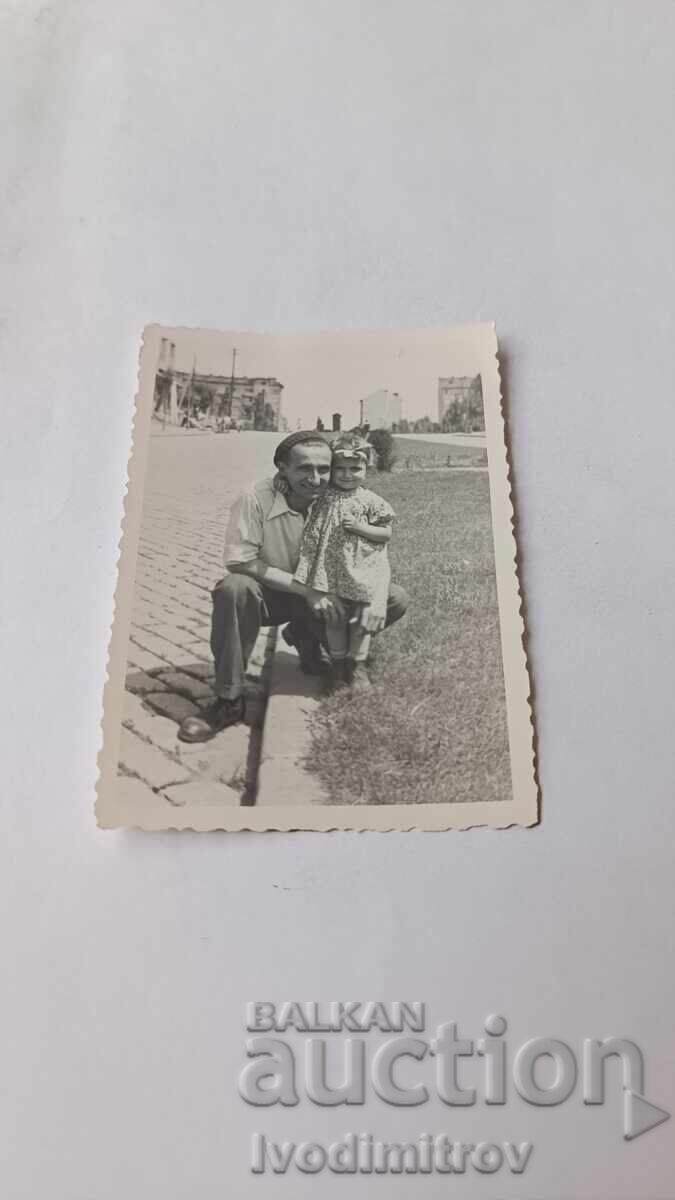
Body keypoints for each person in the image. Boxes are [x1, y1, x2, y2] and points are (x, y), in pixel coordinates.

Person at [177, 430, 408, 743]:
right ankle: (228, 700)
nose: (315, 479)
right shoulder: (255, 499)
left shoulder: (341, 500)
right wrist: (309, 592)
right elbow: (241, 562)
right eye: (304, 468)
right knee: (234, 589)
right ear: (281, 468)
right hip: (275, 594)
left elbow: (375, 557)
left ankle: (308, 635)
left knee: (393, 597)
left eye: (324, 469)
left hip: (330, 592)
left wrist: (375, 602)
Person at [293, 434, 394, 688]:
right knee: (334, 618)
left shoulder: (371, 500)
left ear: (366, 469)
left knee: (361, 616)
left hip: (360, 568)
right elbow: (295, 489)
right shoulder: (323, 494)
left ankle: (357, 665)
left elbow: (386, 533)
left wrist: (361, 528)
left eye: (355, 469)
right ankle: (337, 666)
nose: (347, 475)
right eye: (340, 469)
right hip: (328, 568)